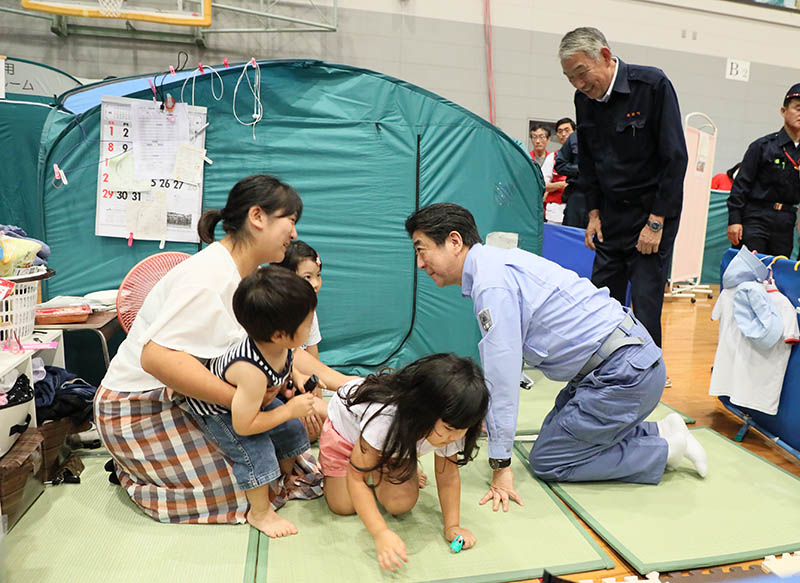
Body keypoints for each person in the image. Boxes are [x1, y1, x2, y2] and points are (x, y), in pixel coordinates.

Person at [405, 203, 706, 513]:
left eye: (421, 249)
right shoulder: (494, 263)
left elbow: (503, 376)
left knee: (549, 459)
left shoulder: (491, 282)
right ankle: (661, 430)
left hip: (625, 373)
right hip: (619, 365)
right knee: (554, 440)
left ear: (454, 242)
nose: (419, 263)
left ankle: (666, 450)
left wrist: (501, 465)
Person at [95, 174, 350, 524]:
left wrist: (344, 383)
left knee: (280, 461)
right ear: (257, 217)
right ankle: (135, 471)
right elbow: (155, 358)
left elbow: (284, 348)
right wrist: (243, 400)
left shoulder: (248, 276)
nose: (294, 234)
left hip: (198, 397)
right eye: (290, 221)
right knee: (255, 488)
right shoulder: (210, 277)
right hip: (140, 404)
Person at [559, 27, 688, 350]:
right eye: (570, 78)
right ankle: (605, 371)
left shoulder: (652, 86)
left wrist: (656, 222)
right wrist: (592, 213)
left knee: (645, 302)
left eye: (581, 73)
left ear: (604, 55)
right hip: (610, 215)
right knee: (602, 300)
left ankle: (648, 372)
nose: (579, 84)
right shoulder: (583, 100)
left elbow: (675, 158)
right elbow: (587, 162)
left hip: (650, 214)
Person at [319, 353, 489, 571]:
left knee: (401, 503)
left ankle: (382, 461)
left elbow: (447, 475)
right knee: (343, 505)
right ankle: (320, 409)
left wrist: (453, 526)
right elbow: (357, 477)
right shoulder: (386, 417)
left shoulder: (454, 423)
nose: (454, 437)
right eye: (448, 429)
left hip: (394, 444)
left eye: (462, 430)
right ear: (425, 411)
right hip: (347, 432)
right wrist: (380, 532)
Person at [187, 266, 317, 537]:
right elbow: (245, 425)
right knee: (257, 450)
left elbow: (286, 360)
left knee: (293, 429)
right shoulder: (251, 371)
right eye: (308, 321)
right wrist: (289, 409)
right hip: (220, 411)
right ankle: (259, 512)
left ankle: (281, 481)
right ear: (280, 334)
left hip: (253, 401)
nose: (312, 323)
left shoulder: (279, 344)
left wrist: (296, 375)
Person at [727, 84, 800, 257]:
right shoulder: (762, 146)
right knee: (750, 272)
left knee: (777, 275)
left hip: (786, 221)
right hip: (756, 217)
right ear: (783, 111)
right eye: (798, 108)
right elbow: (741, 186)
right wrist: (734, 220)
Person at [275, 240, 328, 442]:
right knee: (300, 432)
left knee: (326, 426)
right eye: (307, 277)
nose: (315, 283)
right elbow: (283, 363)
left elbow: (314, 360)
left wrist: (317, 403)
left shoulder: (310, 311)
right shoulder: (276, 312)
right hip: (278, 387)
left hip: (301, 386)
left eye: (318, 276)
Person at [540, 118, 575, 224]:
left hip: (580, 210)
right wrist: (562, 184)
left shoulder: (585, 156)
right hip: (555, 213)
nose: (563, 134)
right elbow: (542, 185)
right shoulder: (552, 157)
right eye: (560, 131)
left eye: (567, 130)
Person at [555, 129, 588, 228]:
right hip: (578, 196)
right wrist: (583, 169)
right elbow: (560, 165)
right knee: (571, 236)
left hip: (604, 199)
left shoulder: (612, 136)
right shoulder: (575, 137)